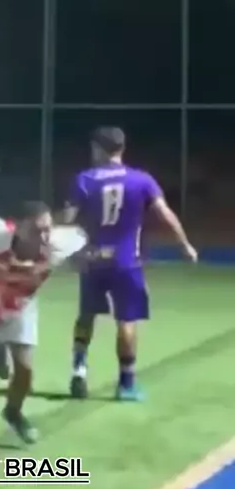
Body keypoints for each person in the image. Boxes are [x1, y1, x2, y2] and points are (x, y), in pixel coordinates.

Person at [64, 126, 198, 402]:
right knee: (126, 321)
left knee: (86, 315)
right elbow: (164, 213)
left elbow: (67, 219)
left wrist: (62, 247)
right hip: (127, 261)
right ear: (122, 148)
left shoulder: (85, 179)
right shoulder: (142, 179)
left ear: (98, 149)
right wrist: (184, 244)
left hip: (93, 259)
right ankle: (126, 385)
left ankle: (79, 370)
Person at [0, 202, 87, 443]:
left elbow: (85, 244)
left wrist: (90, 259)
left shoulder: (59, 243)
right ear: (19, 228)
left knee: (25, 369)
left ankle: (13, 411)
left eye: (47, 229)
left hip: (20, 306)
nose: (44, 236)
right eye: (37, 230)